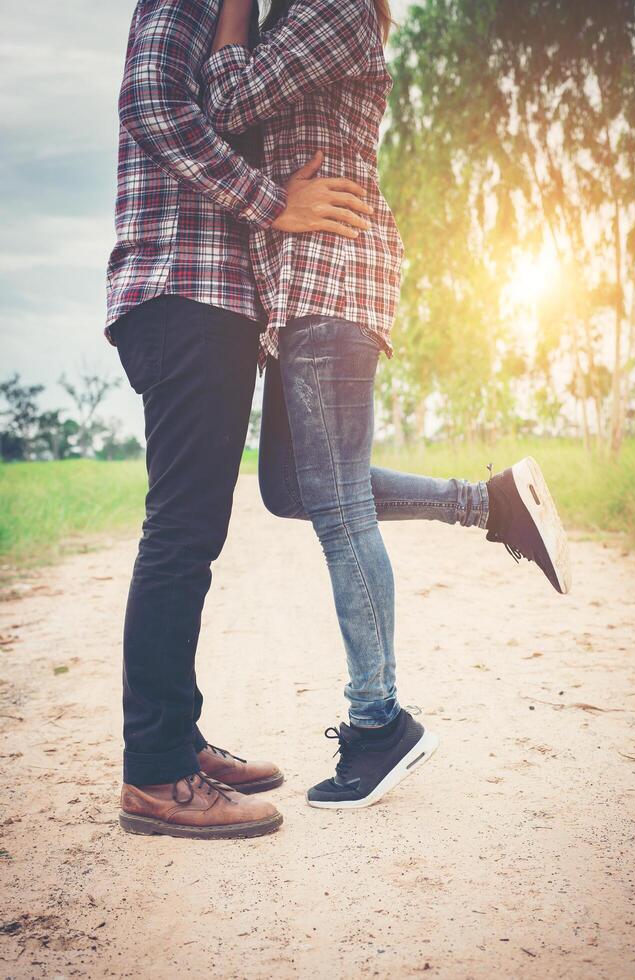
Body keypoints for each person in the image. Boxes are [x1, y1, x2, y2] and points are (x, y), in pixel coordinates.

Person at [200, 0, 572, 810]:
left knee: (337, 511)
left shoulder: (333, 8)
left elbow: (224, 101)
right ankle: (492, 503)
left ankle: (379, 724)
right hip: (301, 292)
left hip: (333, 282)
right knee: (292, 490)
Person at [107, 0, 376, 840]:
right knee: (181, 535)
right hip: (181, 292)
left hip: (211, 303)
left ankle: (176, 742)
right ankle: (155, 775)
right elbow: (152, 104)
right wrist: (272, 201)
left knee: (195, 535)